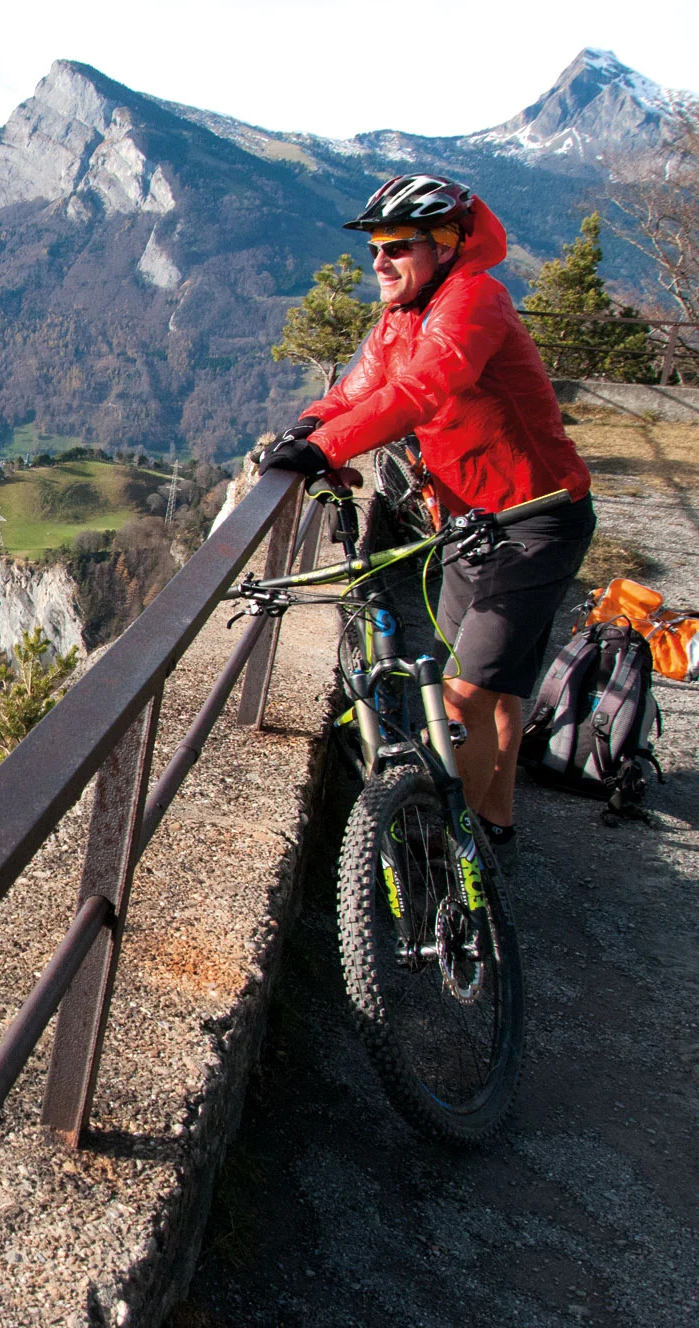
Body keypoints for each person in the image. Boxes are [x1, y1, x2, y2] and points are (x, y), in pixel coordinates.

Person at [261, 174, 595, 864]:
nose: (379, 262)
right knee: (494, 687)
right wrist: (308, 426)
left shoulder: (474, 300)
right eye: (374, 248)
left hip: (537, 521)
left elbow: (425, 387)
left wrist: (325, 448)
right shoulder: (401, 317)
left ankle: (449, 846)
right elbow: (363, 385)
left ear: (445, 246)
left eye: (397, 246)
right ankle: (494, 822)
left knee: (464, 691)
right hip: (471, 524)